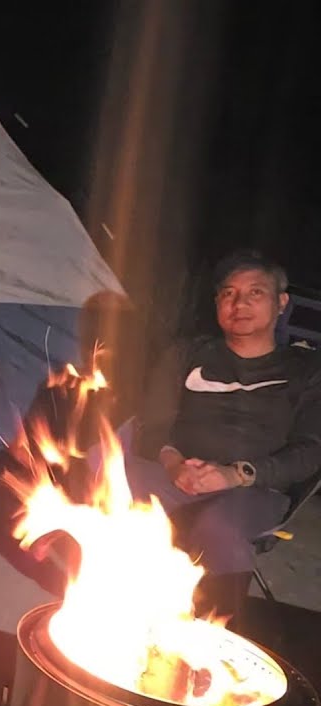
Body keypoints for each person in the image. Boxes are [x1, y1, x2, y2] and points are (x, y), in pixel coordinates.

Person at [131, 249, 321, 618]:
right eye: (228, 293)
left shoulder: (306, 369)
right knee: (95, 473)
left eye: (255, 293)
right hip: (175, 471)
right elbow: (153, 424)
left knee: (219, 527)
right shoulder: (187, 353)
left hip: (254, 488)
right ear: (217, 302)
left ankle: (211, 634)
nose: (239, 303)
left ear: (281, 303)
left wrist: (235, 474)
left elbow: (311, 451)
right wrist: (174, 465)